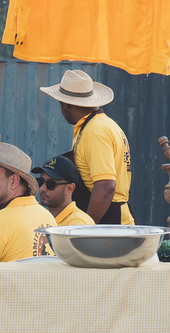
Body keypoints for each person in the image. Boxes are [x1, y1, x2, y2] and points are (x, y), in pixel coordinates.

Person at [40, 70, 134, 225]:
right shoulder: (104, 124)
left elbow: (106, 187)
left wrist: (87, 228)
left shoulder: (94, 131)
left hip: (108, 222)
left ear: (66, 105)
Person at [32, 154, 95, 226]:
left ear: (69, 188)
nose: (42, 188)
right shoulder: (43, 218)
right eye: (40, 181)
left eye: (50, 184)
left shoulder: (77, 223)